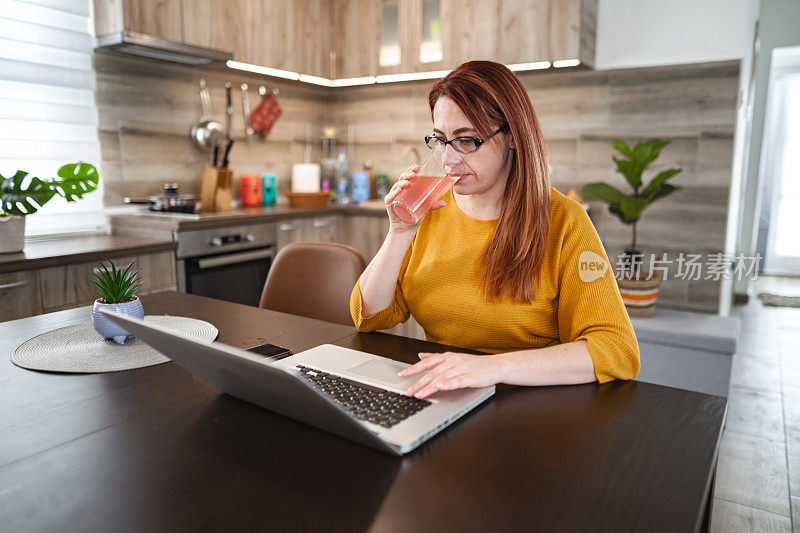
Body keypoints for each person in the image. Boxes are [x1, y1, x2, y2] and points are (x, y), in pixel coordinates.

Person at [350, 60, 640, 400]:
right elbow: (368, 315)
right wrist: (399, 234)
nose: (447, 160)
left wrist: (494, 367)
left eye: (467, 141)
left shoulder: (566, 221)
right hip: (444, 395)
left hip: (533, 403)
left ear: (514, 137)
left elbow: (616, 348)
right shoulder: (429, 208)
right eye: (440, 140)